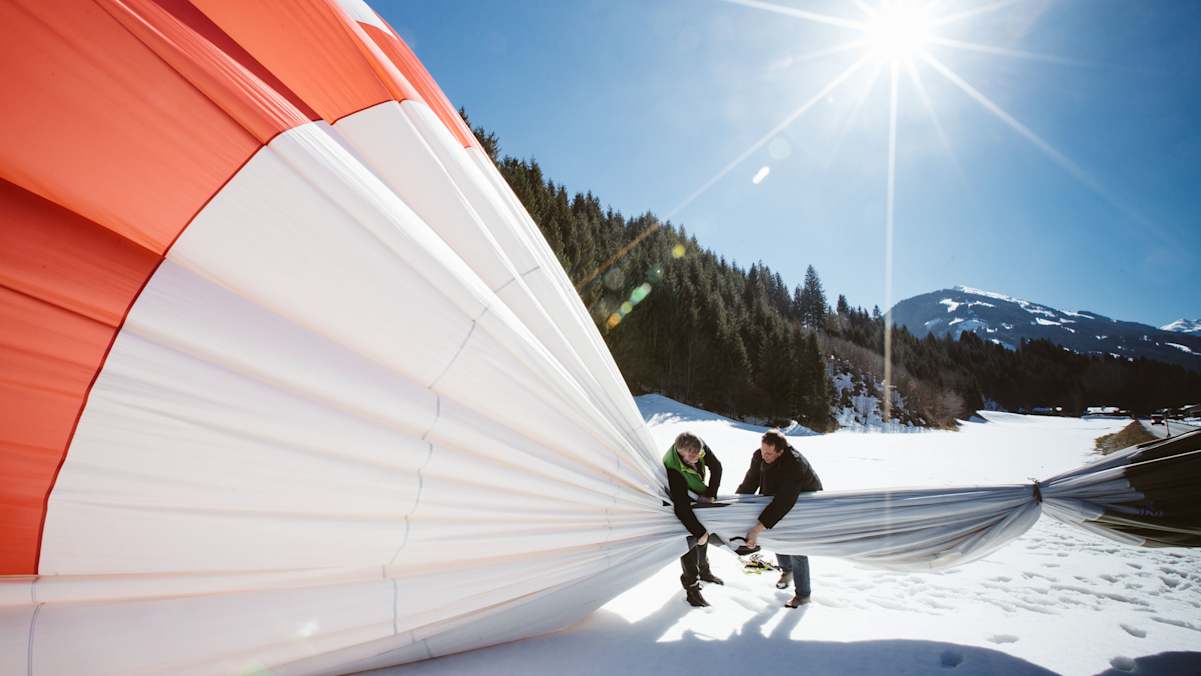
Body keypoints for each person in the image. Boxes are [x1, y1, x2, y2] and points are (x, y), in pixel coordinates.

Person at [736, 429, 823, 608]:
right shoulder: (760, 455)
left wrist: (757, 528)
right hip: (778, 494)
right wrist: (735, 508)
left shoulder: (795, 464)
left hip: (803, 501)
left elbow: (784, 501)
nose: (764, 455)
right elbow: (750, 482)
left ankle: (803, 595)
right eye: (762, 450)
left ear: (780, 451)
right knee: (775, 535)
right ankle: (787, 571)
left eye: (769, 453)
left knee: (796, 545)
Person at [663, 431, 724, 607]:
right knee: (689, 538)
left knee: (705, 528)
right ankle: (692, 590)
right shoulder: (673, 468)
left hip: (696, 491)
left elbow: (717, 467)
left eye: (698, 455)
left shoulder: (698, 445)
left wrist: (711, 494)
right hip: (679, 501)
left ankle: (704, 571)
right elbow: (681, 508)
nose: (697, 459)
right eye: (691, 457)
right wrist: (699, 532)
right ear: (680, 452)